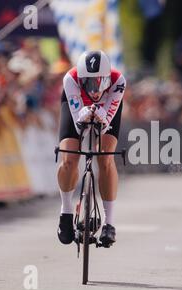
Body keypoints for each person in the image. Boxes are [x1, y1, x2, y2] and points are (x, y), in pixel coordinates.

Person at [57, 50, 126, 248]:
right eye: (88, 82)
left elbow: (104, 125)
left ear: (107, 77)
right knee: (69, 158)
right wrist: (83, 115)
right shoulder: (70, 79)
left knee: (105, 158)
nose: (95, 89)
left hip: (108, 107)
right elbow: (79, 126)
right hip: (78, 106)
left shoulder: (118, 81)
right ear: (80, 79)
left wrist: (101, 115)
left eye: (99, 82)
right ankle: (66, 211)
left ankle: (109, 222)